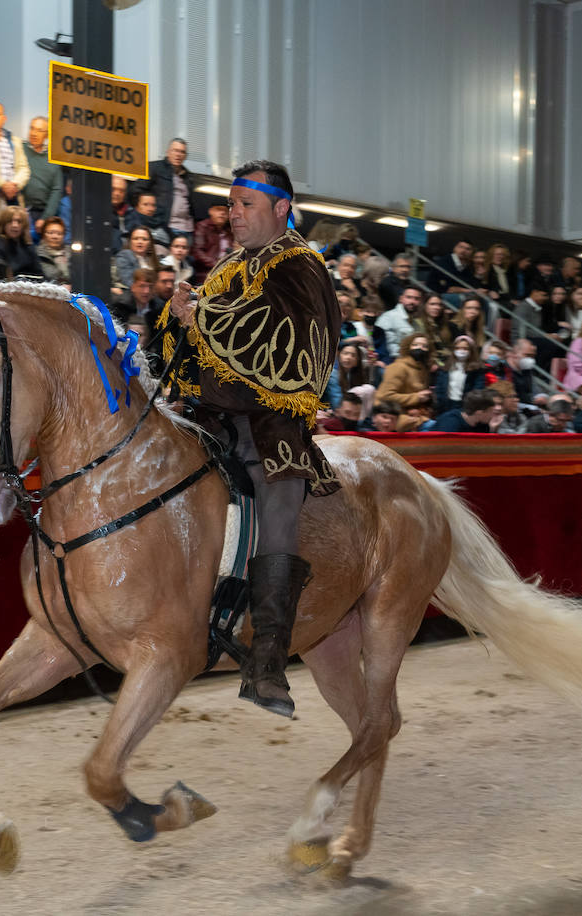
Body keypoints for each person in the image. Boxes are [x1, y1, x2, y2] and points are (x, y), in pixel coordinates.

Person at [164, 159, 339, 718]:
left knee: (279, 509)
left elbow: (284, 338)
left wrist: (202, 318)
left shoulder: (301, 267)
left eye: (245, 205)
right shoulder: (227, 267)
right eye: (231, 204)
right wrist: (178, 319)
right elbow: (200, 344)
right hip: (210, 417)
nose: (232, 214)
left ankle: (267, 661)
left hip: (270, 423)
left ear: (280, 209)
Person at [132, 138, 196, 243]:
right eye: (175, 150)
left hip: (187, 229)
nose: (178, 154)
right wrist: (149, 218)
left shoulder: (188, 176)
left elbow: (191, 204)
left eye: (182, 152)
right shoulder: (155, 168)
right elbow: (135, 191)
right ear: (168, 152)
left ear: (185, 156)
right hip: (164, 227)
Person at [21, 116, 63, 233]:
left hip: (44, 213)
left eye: (39, 130)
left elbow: (57, 189)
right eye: (32, 128)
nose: (34, 133)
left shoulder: (53, 157)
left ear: (47, 135)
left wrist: (45, 218)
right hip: (22, 211)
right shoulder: (21, 149)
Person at [375, 331, 435, 413]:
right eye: (415, 345)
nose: (420, 348)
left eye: (424, 346)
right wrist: (416, 397)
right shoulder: (398, 367)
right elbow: (385, 396)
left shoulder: (423, 368)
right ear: (408, 347)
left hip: (415, 411)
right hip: (392, 414)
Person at [433, 335, 486, 412]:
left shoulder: (477, 369)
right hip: (445, 404)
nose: (461, 351)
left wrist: (470, 404)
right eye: (457, 348)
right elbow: (440, 386)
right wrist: (439, 402)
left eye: (465, 348)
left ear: (471, 350)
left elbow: (478, 389)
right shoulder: (446, 366)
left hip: (465, 406)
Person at [0, 205, 42, 278]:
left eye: (19, 222)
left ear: (23, 226)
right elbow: (0, 273)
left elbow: (40, 274)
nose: (15, 225)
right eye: (10, 221)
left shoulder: (28, 246)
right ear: (3, 224)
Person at [375, 286, 424, 359]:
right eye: (409, 297)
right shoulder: (389, 317)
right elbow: (387, 345)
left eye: (416, 299)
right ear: (401, 299)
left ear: (420, 302)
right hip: (391, 361)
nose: (412, 302)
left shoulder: (417, 323)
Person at [432, 389, 497, 433]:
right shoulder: (450, 423)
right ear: (479, 413)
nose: (492, 415)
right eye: (490, 411)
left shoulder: (483, 425)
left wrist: (492, 430)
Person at [36, 216, 70, 285]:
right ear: (43, 234)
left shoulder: (71, 253)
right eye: (51, 233)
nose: (55, 237)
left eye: (59, 234)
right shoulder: (37, 253)